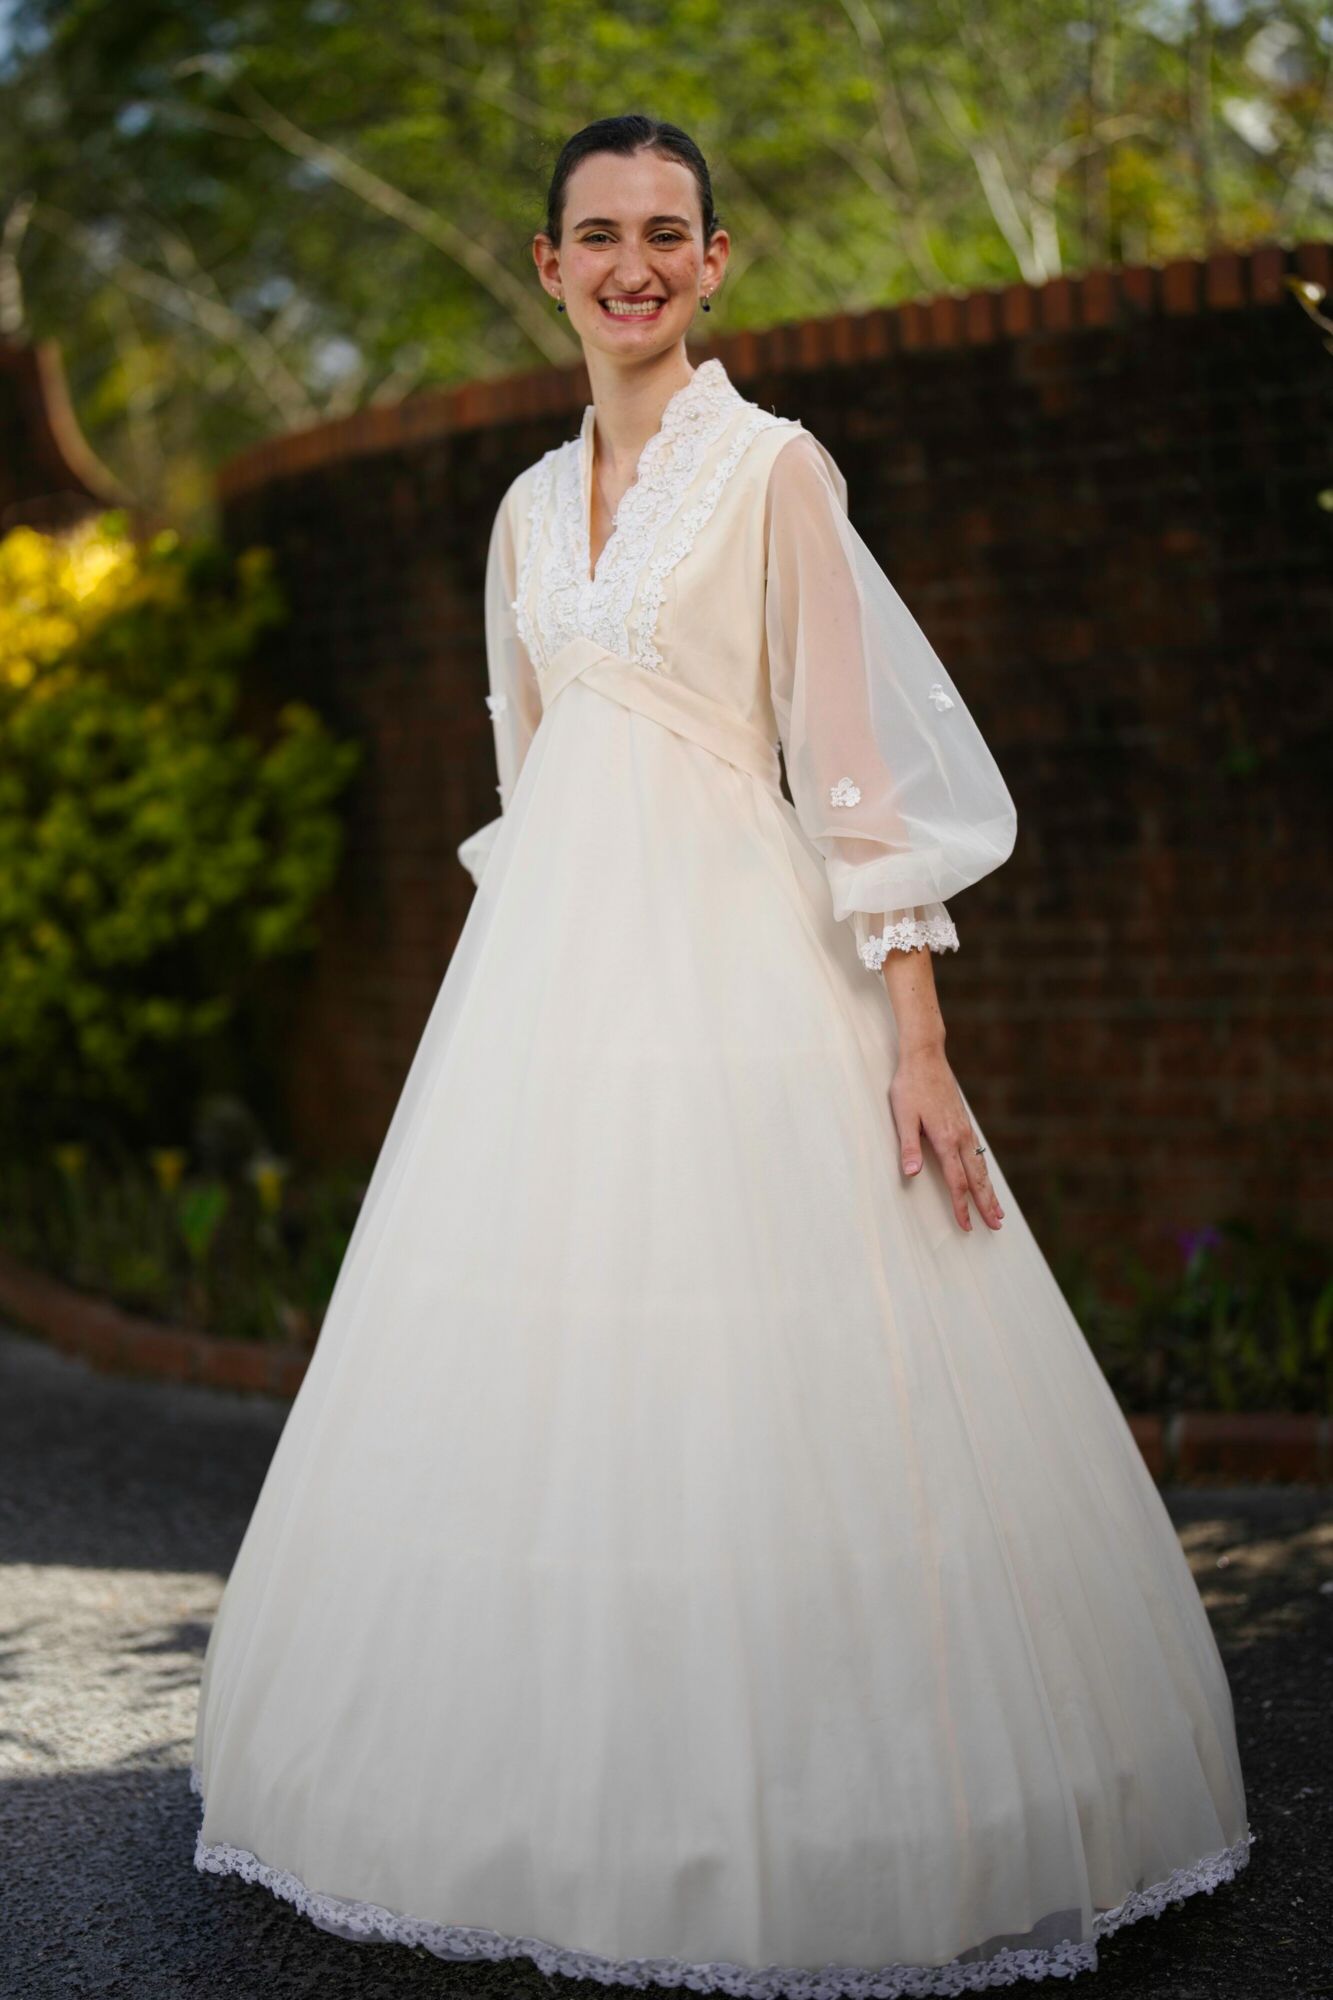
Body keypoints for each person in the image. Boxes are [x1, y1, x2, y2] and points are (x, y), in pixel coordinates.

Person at [191, 114, 1252, 1994]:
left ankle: (826, 1823)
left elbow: (851, 771)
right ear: (544, 265)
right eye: (596, 233)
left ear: (718, 257)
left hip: (745, 967)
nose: (632, 263)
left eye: (665, 232)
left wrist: (915, 1038)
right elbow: (521, 774)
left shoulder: (775, 470)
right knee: (548, 1383)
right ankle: (541, 1807)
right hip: (546, 991)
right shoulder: (520, 510)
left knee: (783, 1373)